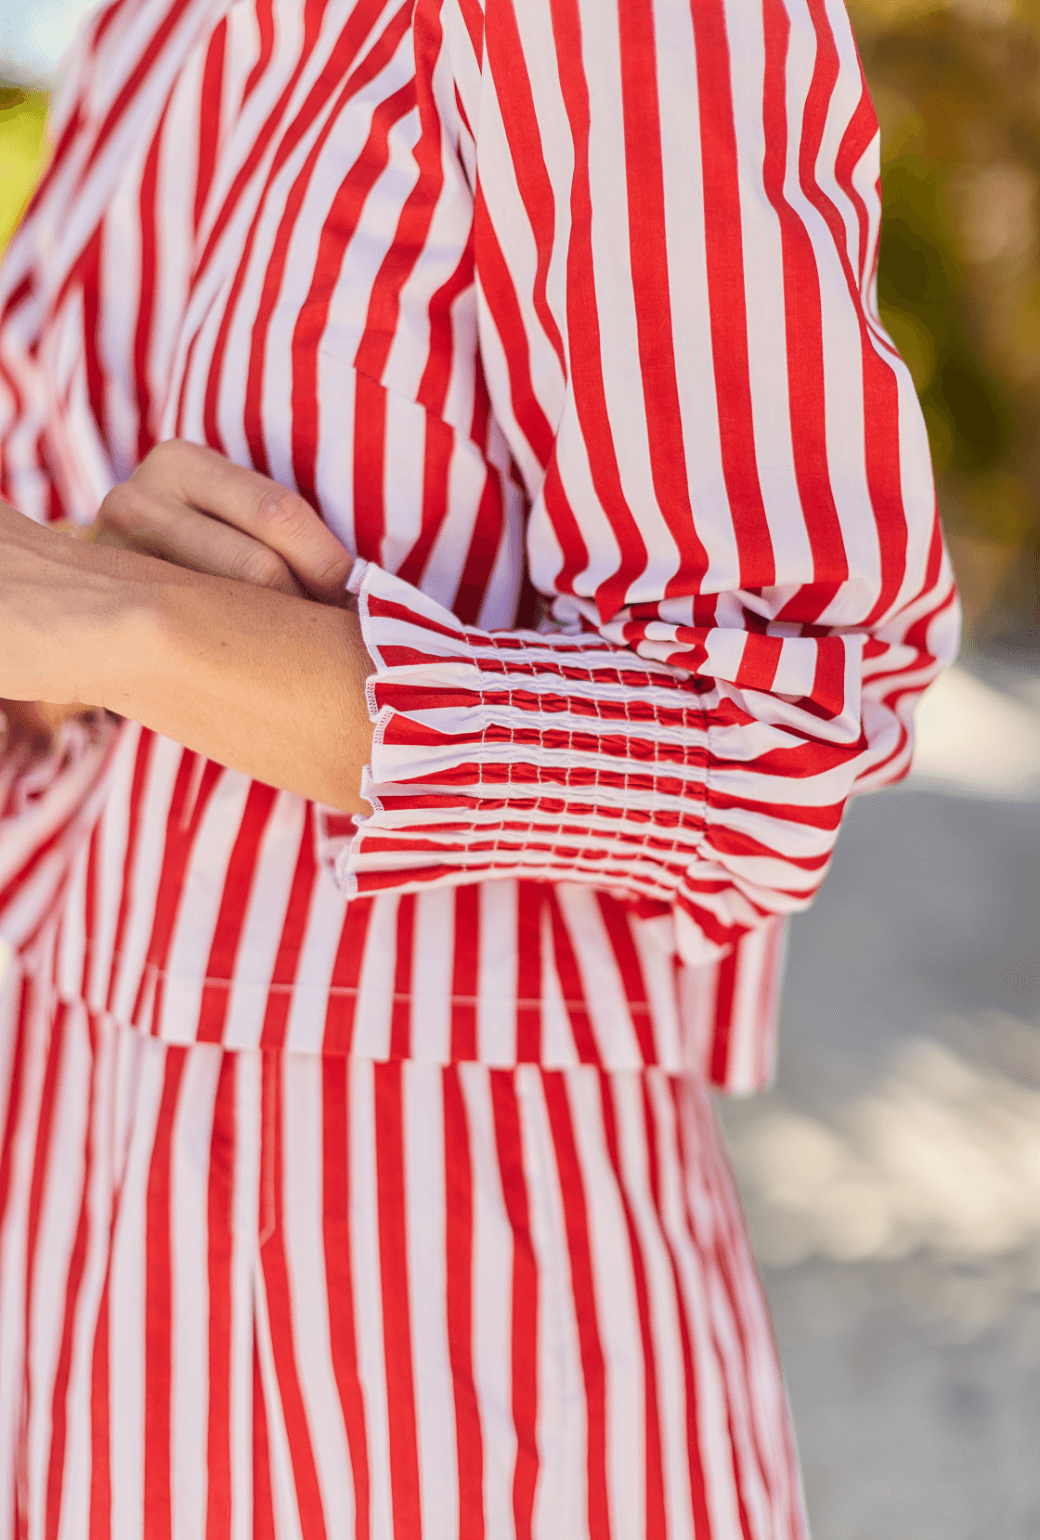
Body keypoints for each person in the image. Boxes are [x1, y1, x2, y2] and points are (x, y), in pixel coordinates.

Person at [0, 0, 957, 1534]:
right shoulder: (141, 32)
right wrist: (71, 634)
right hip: (98, 1305)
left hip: (453, 1375)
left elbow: (790, 741)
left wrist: (138, 625)